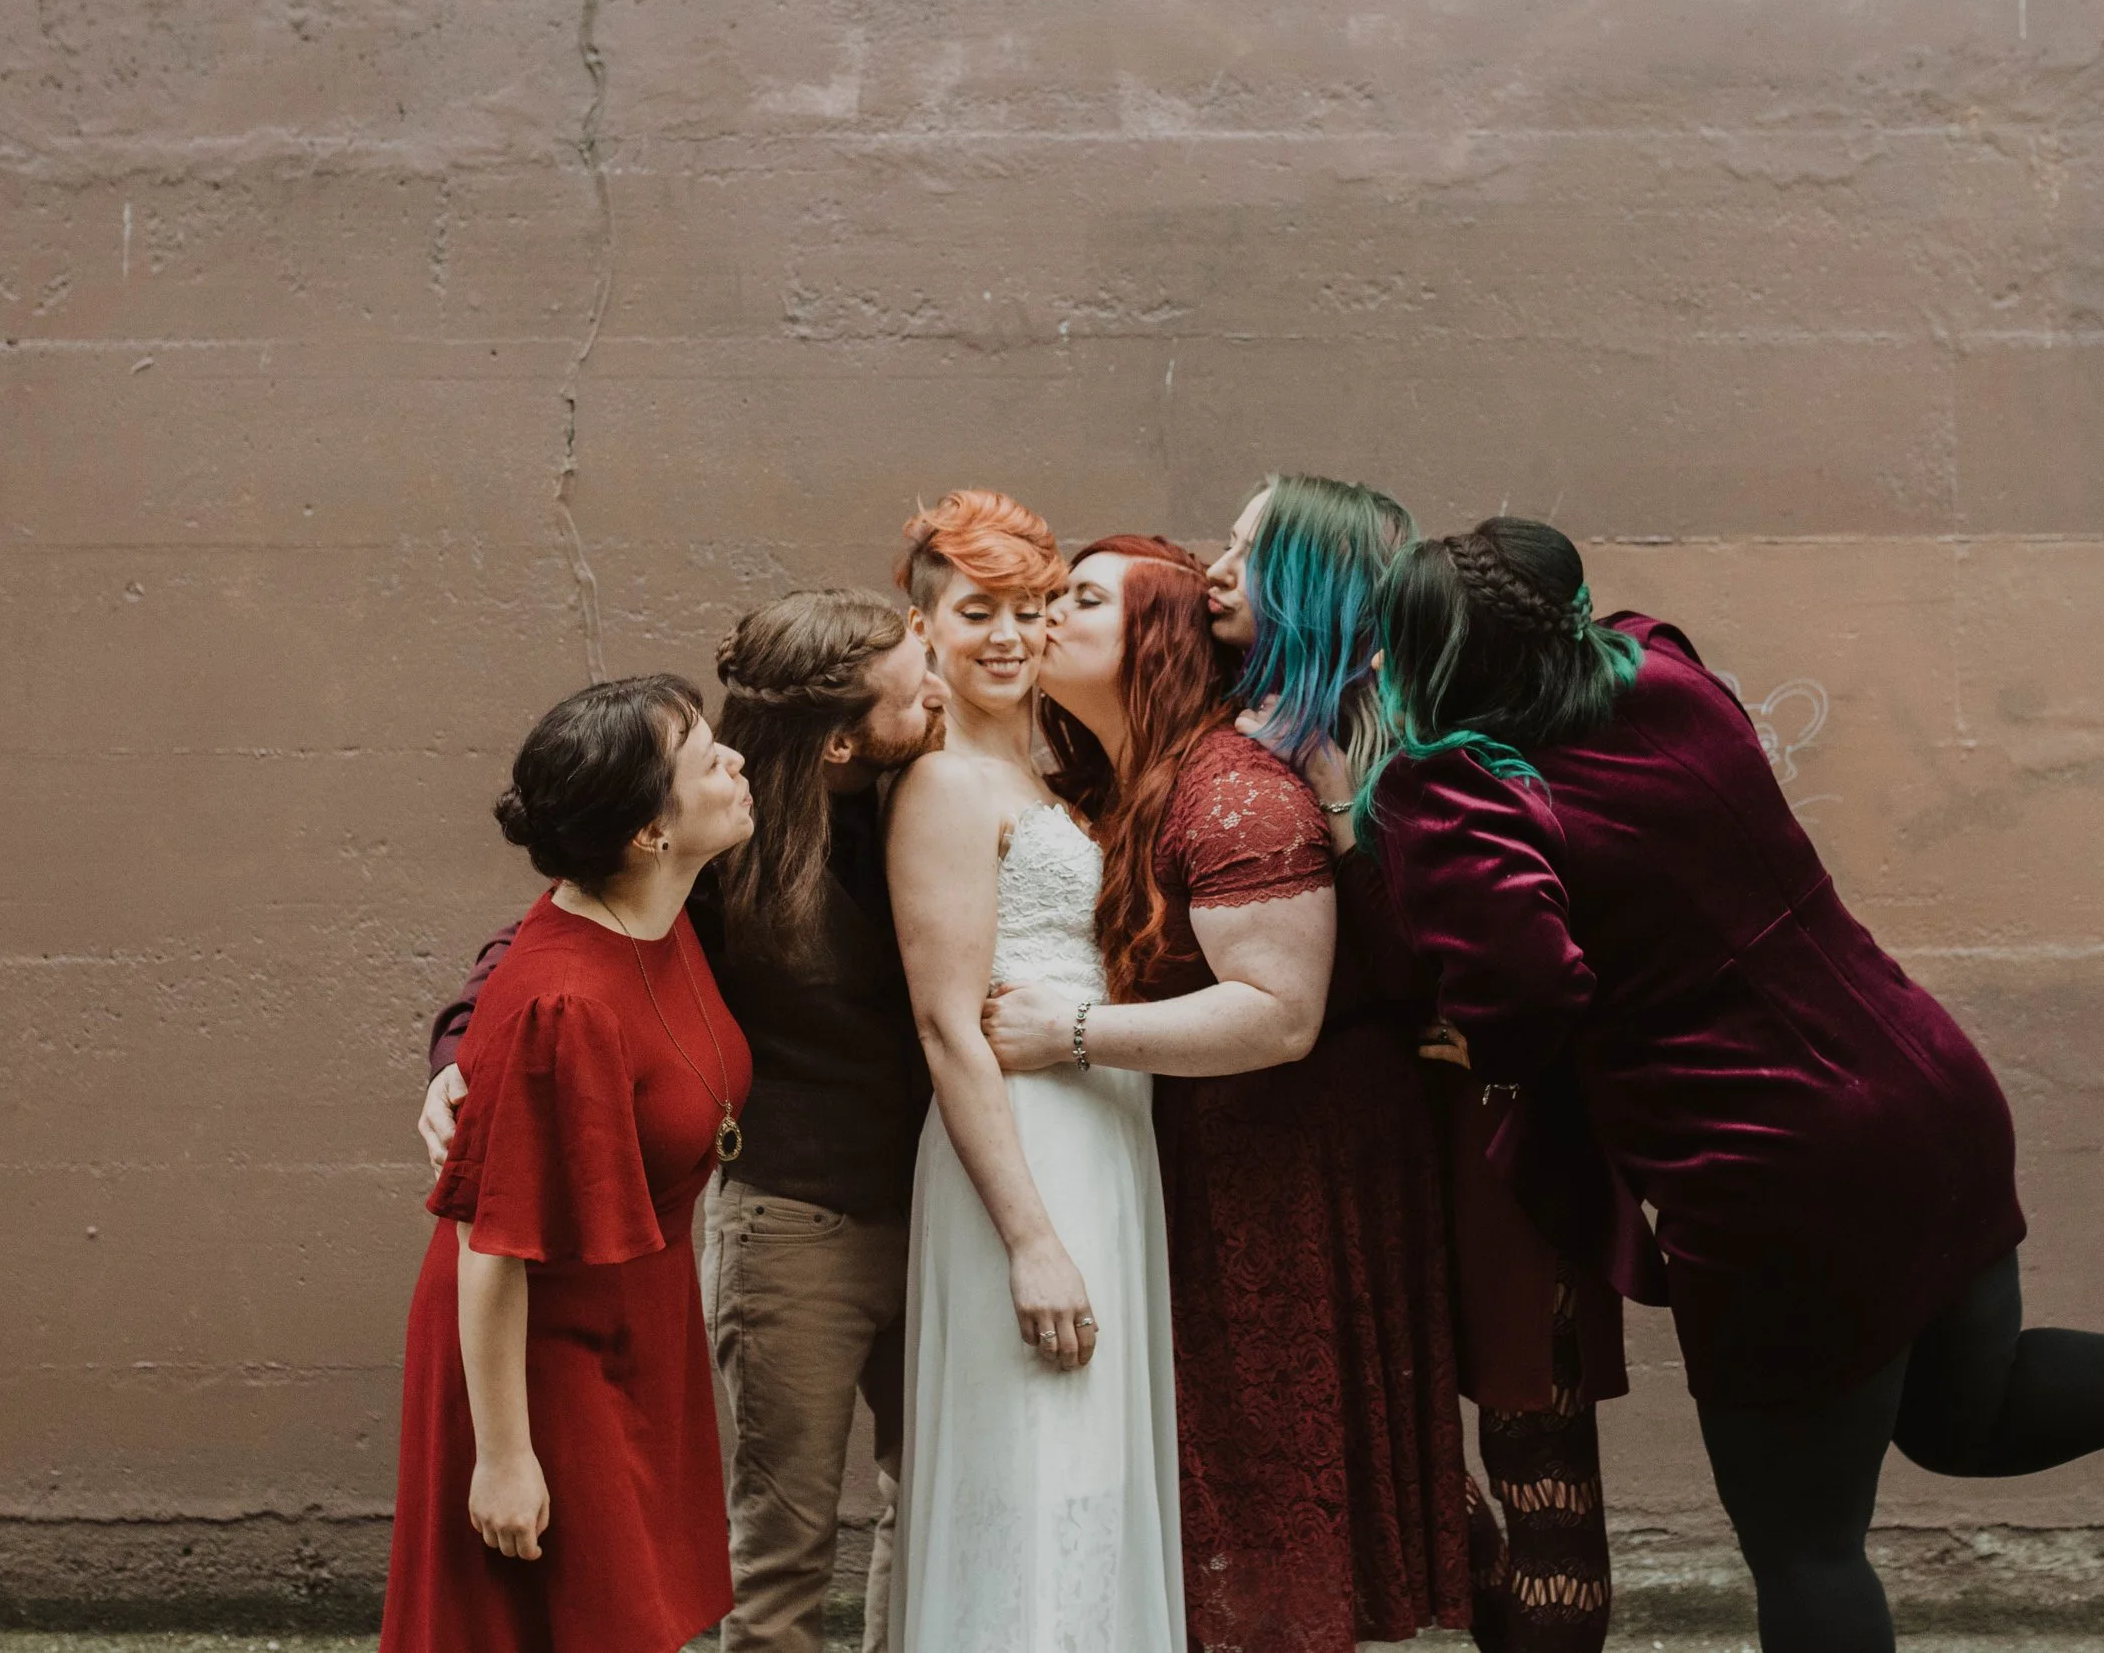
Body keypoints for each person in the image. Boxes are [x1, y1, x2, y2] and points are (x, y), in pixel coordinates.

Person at [1357, 516, 2104, 1653]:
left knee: (1803, 1552)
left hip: (1773, 1169)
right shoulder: (1662, 668)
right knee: (1963, 1416)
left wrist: (1481, 1046)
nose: (1377, 665)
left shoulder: (1449, 792)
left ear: (1442, 666)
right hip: (1928, 1094)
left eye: (1391, 644)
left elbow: (1526, 991)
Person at [417, 589, 947, 1653]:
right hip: (785, 1218)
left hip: (910, 1208)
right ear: (842, 739)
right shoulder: (717, 851)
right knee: (751, 1551)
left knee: (904, 1514)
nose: (944, 688)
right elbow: (545, 953)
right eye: (915, 682)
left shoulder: (930, 789)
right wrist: (461, 1057)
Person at [983, 534, 1461, 1653]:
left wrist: (1076, 1032)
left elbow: (1277, 1013)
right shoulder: (1119, 777)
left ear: (1153, 635)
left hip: (1277, 1179)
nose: (1046, 616)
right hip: (1184, 1158)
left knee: (1259, 1476)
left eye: (1080, 598)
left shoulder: (1234, 794)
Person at [1206, 474, 1614, 1653]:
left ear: (1309, 581)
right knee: (1408, 1456)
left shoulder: (1427, 722)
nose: (1214, 564)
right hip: (1367, 1147)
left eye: (1246, 545)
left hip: (1494, 1141)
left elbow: (1439, 948)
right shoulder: (1234, 720)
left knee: (1536, 1458)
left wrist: (1342, 809)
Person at [381, 675, 756, 1653]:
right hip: (538, 1350)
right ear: (648, 832)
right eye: (707, 757)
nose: (737, 763)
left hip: (634, 1315)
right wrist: (505, 1457)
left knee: (629, 1612)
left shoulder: (658, 911)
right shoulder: (562, 1006)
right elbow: (489, 1247)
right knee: (570, 1622)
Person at [881, 493, 1182, 1652]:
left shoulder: (1055, 775)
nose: (1008, 635)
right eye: (977, 612)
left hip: (1106, 1142)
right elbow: (948, 1027)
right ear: (926, 631)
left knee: (1091, 1461)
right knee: (1034, 1454)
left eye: (1031, 607)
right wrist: (1030, 1238)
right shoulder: (945, 787)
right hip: (1025, 1158)